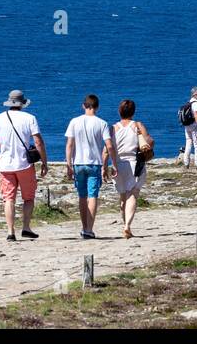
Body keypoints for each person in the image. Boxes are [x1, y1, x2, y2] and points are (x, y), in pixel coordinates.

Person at [0, 90, 48, 242]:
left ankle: (10, 231)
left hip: (5, 164)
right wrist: (44, 162)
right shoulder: (30, 118)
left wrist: (4, 147)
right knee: (28, 197)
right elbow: (38, 142)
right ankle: (26, 227)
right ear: (22, 104)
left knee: (8, 198)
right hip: (25, 164)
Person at [65, 94, 115, 240]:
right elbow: (109, 145)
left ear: (83, 106)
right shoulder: (102, 123)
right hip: (94, 163)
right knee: (92, 195)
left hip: (78, 163)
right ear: (97, 107)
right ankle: (89, 229)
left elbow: (69, 145)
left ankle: (83, 226)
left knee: (82, 196)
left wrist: (69, 164)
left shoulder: (74, 121)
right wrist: (110, 163)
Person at [112, 99, 153, 238]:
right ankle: (127, 226)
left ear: (119, 111)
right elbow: (149, 141)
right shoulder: (137, 125)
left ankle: (125, 225)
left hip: (118, 163)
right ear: (133, 112)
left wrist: (106, 165)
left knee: (123, 197)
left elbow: (108, 148)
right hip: (134, 162)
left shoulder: (114, 128)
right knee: (133, 194)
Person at [180, 86, 197, 168]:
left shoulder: (189, 102)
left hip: (187, 126)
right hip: (194, 126)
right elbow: (196, 115)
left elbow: (193, 112)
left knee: (188, 143)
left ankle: (186, 163)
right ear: (196, 94)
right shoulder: (196, 103)